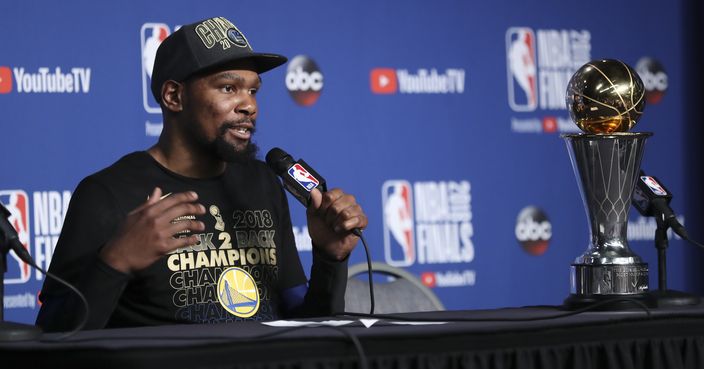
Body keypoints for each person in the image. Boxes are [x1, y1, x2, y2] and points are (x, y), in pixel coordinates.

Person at [36, 16, 367, 332]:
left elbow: (305, 329)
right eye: (228, 88)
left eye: (253, 91)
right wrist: (116, 261)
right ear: (174, 96)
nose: (248, 106)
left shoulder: (262, 182)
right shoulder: (107, 193)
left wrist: (329, 259)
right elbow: (53, 334)